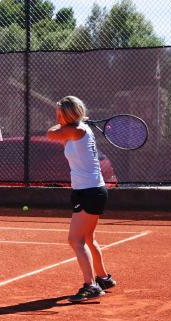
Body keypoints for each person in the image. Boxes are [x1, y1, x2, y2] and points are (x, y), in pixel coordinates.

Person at [46, 96, 116, 300]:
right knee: (88, 238)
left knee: (75, 240)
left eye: (59, 114)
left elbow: (50, 134)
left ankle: (91, 285)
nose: (57, 118)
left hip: (89, 191)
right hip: (92, 190)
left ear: (67, 115)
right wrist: (69, 122)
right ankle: (103, 278)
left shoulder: (75, 130)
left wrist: (66, 124)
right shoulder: (79, 129)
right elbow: (60, 134)